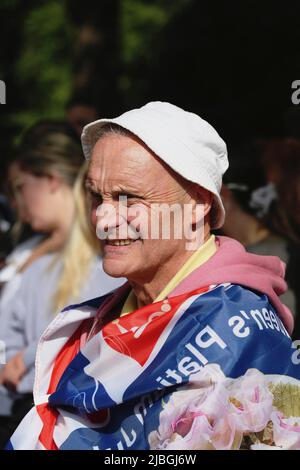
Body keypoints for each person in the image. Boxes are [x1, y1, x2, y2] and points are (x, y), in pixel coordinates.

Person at [7, 102, 300, 451]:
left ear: (199, 203)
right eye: (97, 196)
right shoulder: (111, 310)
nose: (103, 219)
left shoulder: (238, 329)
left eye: (128, 198)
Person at [0, 125, 124, 447]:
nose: (16, 202)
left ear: (52, 180)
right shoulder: (32, 255)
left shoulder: (107, 261)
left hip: (56, 415)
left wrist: (22, 360)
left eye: (20, 187)